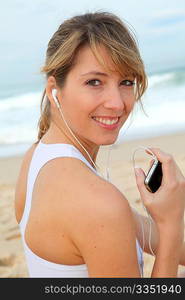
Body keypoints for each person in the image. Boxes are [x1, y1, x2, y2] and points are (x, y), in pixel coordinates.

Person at [14, 11, 185, 278]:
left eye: (126, 82)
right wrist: (172, 222)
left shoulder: (36, 157)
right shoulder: (98, 202)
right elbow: (110, 216)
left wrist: (166, 225)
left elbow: (139, 230)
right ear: (53, 90)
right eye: (94, 82)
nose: (117, 103)